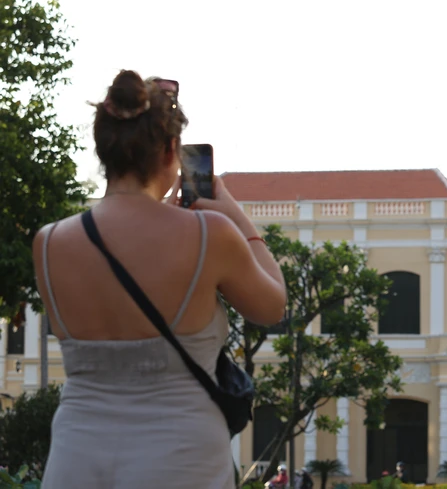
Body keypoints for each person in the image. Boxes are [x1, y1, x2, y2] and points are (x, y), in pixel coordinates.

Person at [34, 70, 287, 488]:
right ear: (172, 150)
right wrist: (236, 218)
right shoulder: (208, 235)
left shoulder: (49, 244)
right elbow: (272, 305)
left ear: (104, 150)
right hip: (181, 458)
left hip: (77, 458)